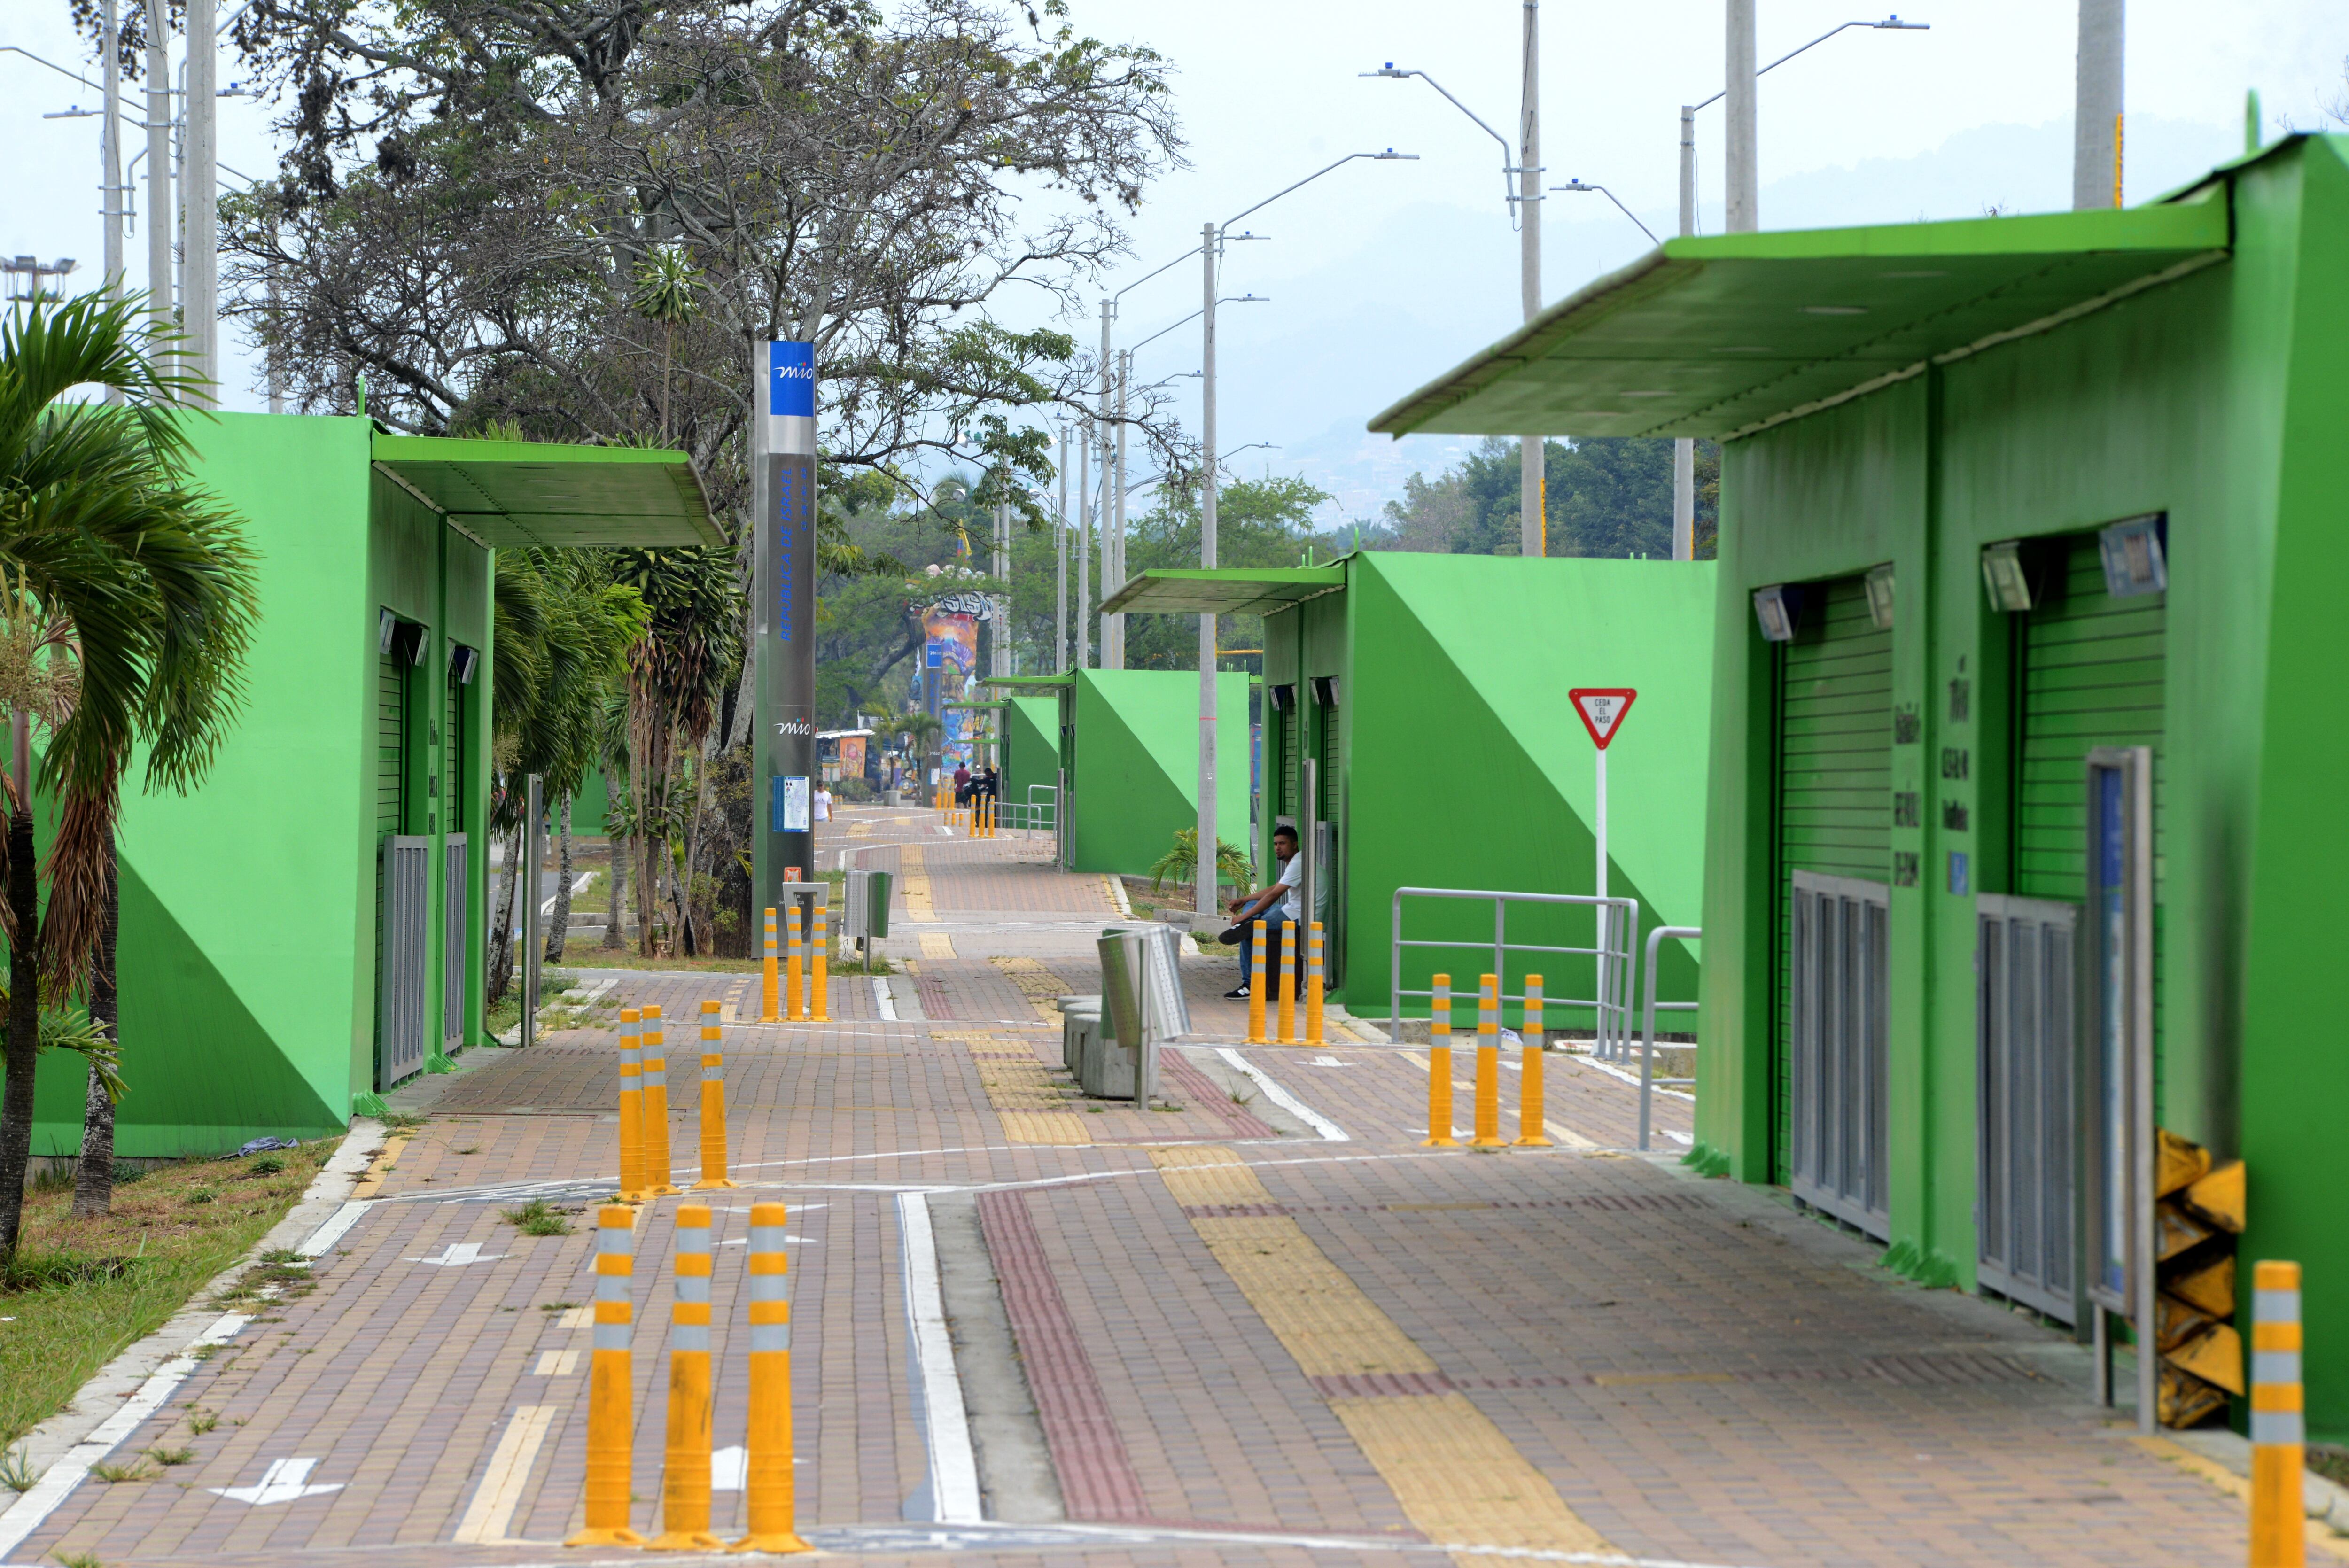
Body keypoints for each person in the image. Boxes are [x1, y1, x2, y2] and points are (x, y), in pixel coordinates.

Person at [1223, 824, 1301, 999]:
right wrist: (1245, 899)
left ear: (1295, 845)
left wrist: (1243, 916)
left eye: (1283, 844)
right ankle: (1247, 924)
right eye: (1275, 844)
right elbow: (1274, 888)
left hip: (1300, 917)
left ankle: (1250, 985)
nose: (1278, 848)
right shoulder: (1297, 862)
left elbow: (1274, 895)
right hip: (1291, 910)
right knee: (1252, 905)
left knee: (1250, 931)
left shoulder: (1298, 863)